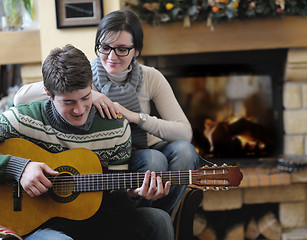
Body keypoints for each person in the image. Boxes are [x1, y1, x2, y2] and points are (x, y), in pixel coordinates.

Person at [14, 9, 199, 215]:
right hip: (111, 156)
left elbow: (185, 133)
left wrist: (134, 117)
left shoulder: (151, 77)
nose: (112, 56)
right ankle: (144, 217)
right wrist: (91, 94)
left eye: (122, 49)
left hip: (144, 147)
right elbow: (21, 98)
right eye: (105, 47)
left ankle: (164, 215)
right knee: (154, 161)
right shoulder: (84, 78)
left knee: (185, 151)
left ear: (136, 50)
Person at [1, 44, 174, 240]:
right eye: (68, 102)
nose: (79, 109)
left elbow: (113, 204)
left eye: (85, 98)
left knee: (158, 220)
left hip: (97, 222)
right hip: (38, 226)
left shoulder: (116, 128)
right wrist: (18, 168)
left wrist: (131, 194)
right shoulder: (20, 120)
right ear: (48, 94)